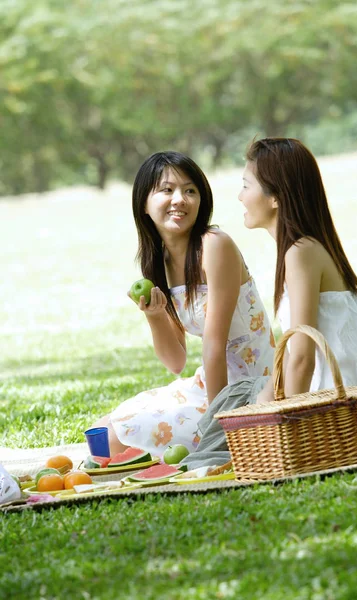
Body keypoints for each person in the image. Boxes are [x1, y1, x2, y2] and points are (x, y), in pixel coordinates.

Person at [182, 136, 357, 469]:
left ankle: (197, 466)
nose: (240, 196)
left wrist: (283, 424)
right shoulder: (303, 248)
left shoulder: (301, 252)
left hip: (336, 397)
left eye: (246, 185)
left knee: (235, 412)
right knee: (239, 399)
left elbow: (302, 356)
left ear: (275, 196)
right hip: (333, 388)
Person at [91, 151, 275, 457]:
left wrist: (221, 429)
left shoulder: (215, 246)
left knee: (116, 443)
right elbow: (175, 362)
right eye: (167, 190)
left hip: (248, 391)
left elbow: (214, 346)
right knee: (104, 431)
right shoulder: (158, 264)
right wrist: (155, 316)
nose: (180, 199)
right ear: (144, 205)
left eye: (190, 190)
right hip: (208, 384)